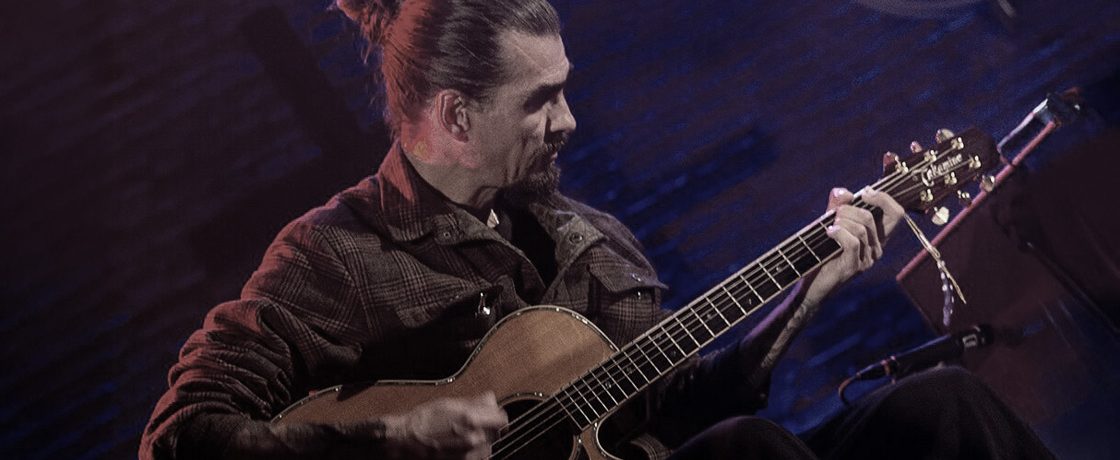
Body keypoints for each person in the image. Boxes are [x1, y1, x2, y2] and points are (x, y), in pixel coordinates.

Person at [140, 0, 1054, 459]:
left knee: (944, 407)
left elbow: (677, 412)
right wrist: (393, 441)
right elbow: (181, 435)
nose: (569, 121)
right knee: (744, 454)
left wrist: (804, 300)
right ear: (456, 116)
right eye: (541, 100)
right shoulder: (334, 256)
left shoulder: (592, 239)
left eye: (566, 89)